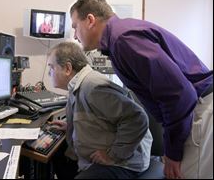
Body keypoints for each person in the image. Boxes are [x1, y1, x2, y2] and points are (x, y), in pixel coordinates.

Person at [70, 0, 213, 179]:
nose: (74, 35)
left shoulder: (124, 40)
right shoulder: (121, 37)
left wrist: (172, 153)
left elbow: (179, 96)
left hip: (198, 110)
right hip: (192, 110)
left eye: (75, 26)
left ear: (90, 20)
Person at [47, 41, 153, 179]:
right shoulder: (78, 86)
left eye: (51, 68)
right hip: (98, 158)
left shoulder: (92, 87)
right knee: (59, 157)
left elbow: (137, 118)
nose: (49, 73)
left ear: (67, 68)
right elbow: (96, 118)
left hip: (123, 163)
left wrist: (112, 155)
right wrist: (71, 126)